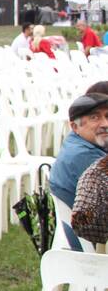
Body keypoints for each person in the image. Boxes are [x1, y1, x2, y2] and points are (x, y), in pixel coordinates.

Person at [50, 90, 108, 248]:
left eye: (107, 116)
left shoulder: (77, 141)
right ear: (75, 126)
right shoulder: (85, 156)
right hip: (90, 240)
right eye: (94, 117)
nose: (105, 123)